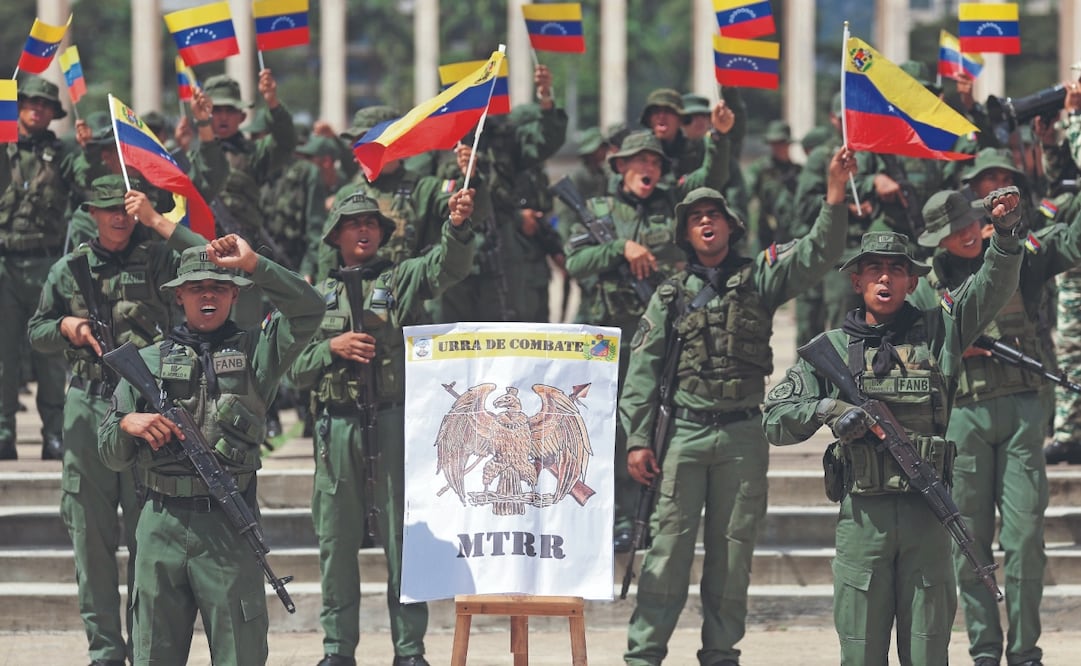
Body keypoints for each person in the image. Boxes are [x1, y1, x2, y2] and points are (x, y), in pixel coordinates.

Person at [762, 189, 1026, 665]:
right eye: (875, 269)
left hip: (930, 516)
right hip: (864, 519)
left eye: (897, 269)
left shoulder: (941, 330)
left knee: (927, 654)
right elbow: (775, 419)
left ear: (911, 281)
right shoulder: (832, 349)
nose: (885, 278)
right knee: (861, 654)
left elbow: (992, 285)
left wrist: (1006, 236)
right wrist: (827, 410)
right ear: (857, 278)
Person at [619, 147, 856, 666]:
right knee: (668, 551)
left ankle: (722, 652)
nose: (706, 223)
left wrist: (834, 195)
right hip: (683, 433)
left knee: (732, 554)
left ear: (730, 226)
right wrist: (637, 439)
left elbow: (819, 254)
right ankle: (644, 654)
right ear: (686, 234)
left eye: (715, 217)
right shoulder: (669, 295)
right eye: (696, 219)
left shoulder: (760, 280)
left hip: (744, 435)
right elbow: (641, 373)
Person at [98, 235, 324, 665]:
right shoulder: (144, 363)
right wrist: (128, 424)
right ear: (179, 294)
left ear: (234, 294)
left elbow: (311, 308)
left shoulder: (259, 352)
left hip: (228, 527)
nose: (208, 295)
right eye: (197, 287)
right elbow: (109, 453)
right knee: (151, 652)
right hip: (160, 522)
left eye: (219, 287)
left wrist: (256, 263)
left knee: (240, 652)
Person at [287, 185, 476, 666]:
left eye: (371, 223)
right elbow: (290, 370)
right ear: (337, 236)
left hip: (393, 424)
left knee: (404, 541)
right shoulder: (313, 296)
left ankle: (409, 651)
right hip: (336, 429)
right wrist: (332, 348)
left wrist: (456, 227)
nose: (364, 230)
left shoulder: (401, 279)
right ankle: (337, 650)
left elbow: (447, 267)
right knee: (336, 543)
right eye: (354, 224)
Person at [28, 175, 207, 666]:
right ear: (91, 211)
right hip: (88, 407)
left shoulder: (157, 259)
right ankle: (106, 650)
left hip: (144, 405)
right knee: (91, 534)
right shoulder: (69, 270)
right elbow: (36, 331)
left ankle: (146, 646)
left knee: (146, 538)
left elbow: (209, 258)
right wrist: (65, 326)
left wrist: (158, 220)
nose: (119, 216)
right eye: (109, 208)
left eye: (126, 207)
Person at [911, 180, 1079, 666]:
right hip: (961, 416)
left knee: (1025, 538)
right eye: (952, 230)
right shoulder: (924, 286)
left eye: (967, 223)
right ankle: (985, 649)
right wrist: (947, 348)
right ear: (935, 240)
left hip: (1024, 408)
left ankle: (1025, 651)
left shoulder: (1016, 257)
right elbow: (903, 347)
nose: (964, 234)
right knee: (969, 539)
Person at [562, 105, 733, 553]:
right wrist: (620, 248)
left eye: (655, 162)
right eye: (639, 162)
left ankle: (653, 515)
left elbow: (712, 177)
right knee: (609, 430)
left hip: (660, 335)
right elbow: (576, 263)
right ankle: (617, 517)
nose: (648, 169)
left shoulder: (672, 211)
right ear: (619, 167)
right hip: (604, 339)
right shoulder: (597, 210)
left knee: (659, 423)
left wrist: (718, 138)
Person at [0, 76, 80, 460]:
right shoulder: (3, 145)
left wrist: (87, 151)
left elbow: (85, 185)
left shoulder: (62, 152)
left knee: (49, 353)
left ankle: (53, 433)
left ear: (53, 113)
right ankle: (3, 433)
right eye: (30, 102)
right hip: (4, 264)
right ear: (18, 106)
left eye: (45, 104)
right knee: (3, 356)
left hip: (47, 263)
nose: (37, 108)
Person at [744, 119, 801, 251]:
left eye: (781, 143)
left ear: (788, 143)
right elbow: (746, 191)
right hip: (766, 234)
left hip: (792, 234)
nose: (777, 147)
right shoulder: (760, 169)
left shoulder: (798, 172)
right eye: (773, 143)